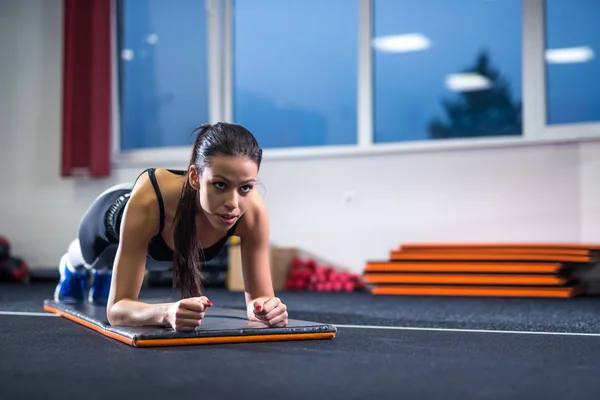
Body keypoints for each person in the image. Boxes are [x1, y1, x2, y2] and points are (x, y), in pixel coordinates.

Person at [54, 122, 289, 331]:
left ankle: (106, 274)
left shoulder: (253, 212)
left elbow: (258, 301)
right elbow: (116, 310)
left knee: (148, 263)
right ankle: (73, 267)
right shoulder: (149, 201)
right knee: (89, 259)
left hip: (156, 250)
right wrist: (165, 313)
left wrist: (267, 310)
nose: (233, 204)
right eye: (219, 185)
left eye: (245, 188)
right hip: (110, 219)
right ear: (195, 177)